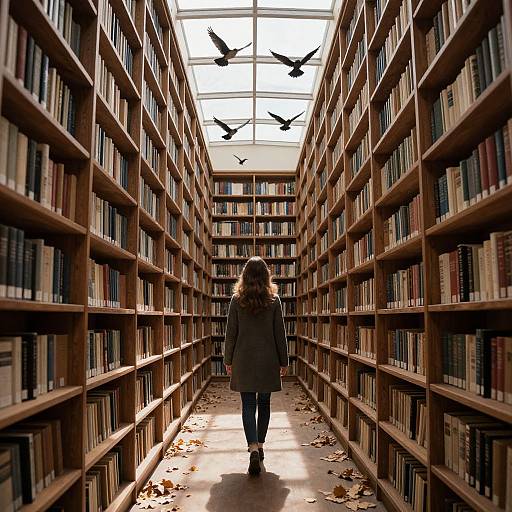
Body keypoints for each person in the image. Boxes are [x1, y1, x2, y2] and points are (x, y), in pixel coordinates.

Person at [223, 256, 289, 476]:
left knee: (248, 404)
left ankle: (251, 446)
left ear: (245, 276)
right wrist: (284, 360)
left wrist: (228, 359)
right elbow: (280, 334)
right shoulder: (274, 301)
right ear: (266, 276)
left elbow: (231, 333)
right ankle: (260, 445)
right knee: (265, 403)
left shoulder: (236, 300)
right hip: (268, 360)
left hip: (244, 360)